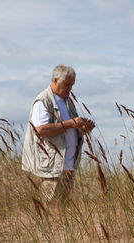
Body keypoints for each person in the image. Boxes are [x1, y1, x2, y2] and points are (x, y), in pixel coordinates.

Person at [22, 64, 95, 202]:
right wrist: (72, 123)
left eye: (72, 85)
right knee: (51, 209)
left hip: (68, 167)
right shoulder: (43, 101)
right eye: (67, 84)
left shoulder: (68, 102)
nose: (70, 88)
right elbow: (41, 130)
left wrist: (83, 128)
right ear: (55, 80)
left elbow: (68, 129)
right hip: (52, 168)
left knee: (65, 212)